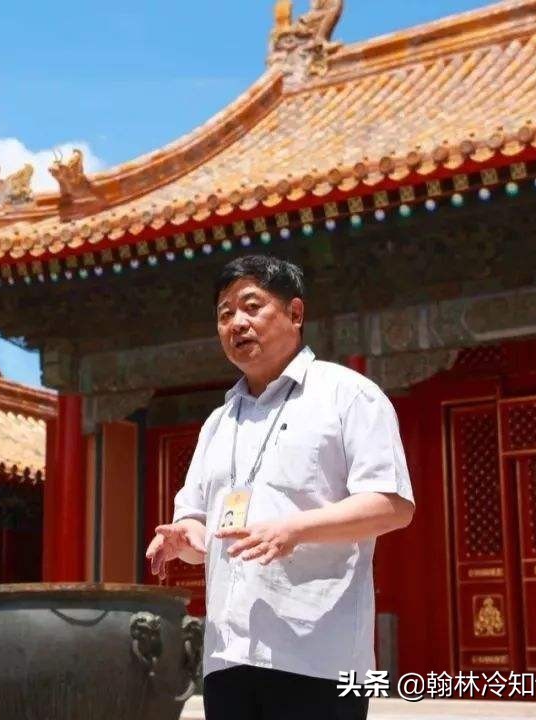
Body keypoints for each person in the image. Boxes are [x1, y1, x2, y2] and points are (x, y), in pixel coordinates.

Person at [144, 255, 414, 720]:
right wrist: (186, 538)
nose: (237, 323)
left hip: (318, 655)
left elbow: (392, 505)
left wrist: (294, 529)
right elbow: (201, 529)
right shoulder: (217, 422)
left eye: (252, 306)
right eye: (225, 314)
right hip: (228, 656)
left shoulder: (348, 395)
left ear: (295, 313)